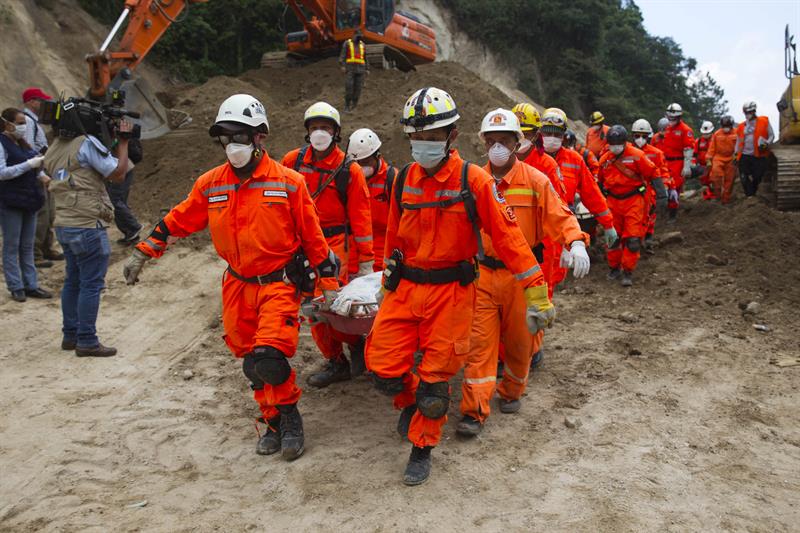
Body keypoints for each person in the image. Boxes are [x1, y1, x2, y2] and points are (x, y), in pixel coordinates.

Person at [123, 94, 340, 460]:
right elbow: (180, 219)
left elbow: (313, 236)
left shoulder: (288, 183)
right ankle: (270, 421)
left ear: (260, 137)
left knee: (270, 356)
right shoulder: (211, 184)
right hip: (238, 285)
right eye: (225, 137)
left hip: (278, 284)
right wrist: (145, 250)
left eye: (240, 135)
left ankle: (289, 417)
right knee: (252, 364)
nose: (232, 145)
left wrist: (328, 284)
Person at [365, 87, 555, 486]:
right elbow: (393, 241)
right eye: (417, 137)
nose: (423, 145)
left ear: (451, 136)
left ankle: (422, 446)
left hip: (452, 293)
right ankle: (411, 401)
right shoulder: (402, 182)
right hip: (405, 289)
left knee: (436, 385)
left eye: (431, 137)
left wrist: (536, 290)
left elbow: (510, 239)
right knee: (382, 368)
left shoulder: (475, 181)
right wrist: (384, 285)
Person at [457, 108, 588, 437]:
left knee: (519, 344)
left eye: (504, 140)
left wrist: (576, 242)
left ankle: (512, 390)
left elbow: (560, 215)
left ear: (518, 143)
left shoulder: (536, 181)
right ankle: (474, 410)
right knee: (480, 345)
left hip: (524, 277)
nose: (497, 147)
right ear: (484, 143)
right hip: (484, 274)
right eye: (492, 141)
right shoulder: (473, 180)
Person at [282, 102, 373, 387]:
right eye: (314, 128)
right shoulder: (292, 162)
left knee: (332, 306)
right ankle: (336, 361)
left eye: (325, 128)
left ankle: (355, 343)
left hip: (333, 245)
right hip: (300, 245)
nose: (319, 132)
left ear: (336, 133)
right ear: (306, 132)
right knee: (312, 309)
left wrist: (367, 262)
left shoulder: (349, 170)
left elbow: (361, 217)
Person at [43, 98, 132, 356]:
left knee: (73, 280)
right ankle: (87, 340)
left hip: (64, 222)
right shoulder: (86, 144)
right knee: (91, 284)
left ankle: (70, 335)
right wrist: (123, 142)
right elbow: (117, 173)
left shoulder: (55, 147)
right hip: (87, 224)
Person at [539, 107, 617, 296]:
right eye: (547, 133)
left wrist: (608, 224)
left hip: (560, 229)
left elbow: (592, 194)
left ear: (564, 135)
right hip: (532, 228)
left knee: (551, 282)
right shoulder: (528, 158)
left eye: (556, 134)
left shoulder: (574, 160)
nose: (551, 137)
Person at [597, 125, 660, 287]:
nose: (615, 146)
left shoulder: (637, 156)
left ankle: (627, 271)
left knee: (633, 240)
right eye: (612, 143)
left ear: (625, 142)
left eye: (618, 142)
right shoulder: (605, 160)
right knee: (613, 238)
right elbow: (599, 183)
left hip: (634, 201)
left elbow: (653, 173)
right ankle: (614, 267)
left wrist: (662, 195)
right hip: (612, 202)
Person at [0, 108, 52, 302]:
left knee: (27, 246)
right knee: (12, 245)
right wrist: (29, 165)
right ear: (7, 123)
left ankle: (31, 284)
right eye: (20, 122)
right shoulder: (2, 143)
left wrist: (42, 175)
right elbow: (2, 172)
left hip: (30, 199)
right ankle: (16, 286)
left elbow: (36, 168)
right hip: (11, 200)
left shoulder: (23, 144)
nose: (23, 126)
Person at [22, 87, 63, 267]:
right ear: (31, 102)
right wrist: (39, 174)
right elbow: (29, 150)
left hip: (41, 171)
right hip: (36, 173)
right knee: (42, 213)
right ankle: (35, 253)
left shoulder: (34, 121)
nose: (44, 104)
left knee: (49, 212)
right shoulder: (28, 123)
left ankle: (46, 247)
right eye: (40, 100)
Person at [346, 128, 395, 274]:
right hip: (351, 259)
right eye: (356, 163)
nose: (360, 167)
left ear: (377, 156)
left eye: (365, 162)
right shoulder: (346, 179)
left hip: (382, 259)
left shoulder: (392, 180)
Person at [630, 118, 670, 252]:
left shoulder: (656, 153)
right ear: (632, 136)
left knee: (650, 216)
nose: (640, 139)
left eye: (643, 136)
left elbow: (663, 173)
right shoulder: (626, 152)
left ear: (648, 137)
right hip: (630, 191)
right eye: (637, 136)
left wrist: (664, 191)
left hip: (650, 190)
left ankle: (647, 238)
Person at [511, 103, 566, 196]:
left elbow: (559, 204)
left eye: (526, 134)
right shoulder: (501, 162)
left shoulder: (548, 164)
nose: (520, 139)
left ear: (536, 135)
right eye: (517, 134)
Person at [660, 103, 694, 221]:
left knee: (675, 187)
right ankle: (665, 209)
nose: (671, 120)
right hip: (665, 162)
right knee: (663, 185)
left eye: (673, 118)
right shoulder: (668, 128)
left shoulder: (685, 130)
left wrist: (687, 166)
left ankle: (672, 214)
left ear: (679, 117)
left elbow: (688, 149)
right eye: (669, 118)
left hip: (678, 163)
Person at [107, 137, 143, 244]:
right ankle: (130, 233)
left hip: (121, 169)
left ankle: (133, 227)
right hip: (122, 168)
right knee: (118, 201)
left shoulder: (104, 134)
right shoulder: (106, 131)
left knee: (114, 201)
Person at [735, 101, 774, 197]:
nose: (747, 115)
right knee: (744, 177)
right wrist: (735, 154)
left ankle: (753, 193)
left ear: (754, 111)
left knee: (758, 176)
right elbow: (738, 141)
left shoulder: (764, 121)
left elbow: (771, 135)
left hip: (759, 155)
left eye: (749, 112)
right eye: (746, 113)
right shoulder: (741, 126)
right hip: (744, 155)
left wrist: (767, 143)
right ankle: (749, 195)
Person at [707, 115, 738, 204]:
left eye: (727, 126)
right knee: (715, 176)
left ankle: (726, 200)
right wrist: (708, 159)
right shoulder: (717, 134)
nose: (726, 128)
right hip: (718, 157)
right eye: (724, 127)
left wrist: (737, 156)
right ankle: (717, 197)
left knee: (730, 180)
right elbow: (712, 148)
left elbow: (740, 145)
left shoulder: (736, 133)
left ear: (731, 125)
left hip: (731, 158)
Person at [339, 30, 369, 112]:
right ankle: (347, 105)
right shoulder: (347, 43)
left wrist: (367, 69)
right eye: (358, 36)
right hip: (350, 69)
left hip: (361, 70)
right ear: (354, 35)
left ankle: (354, 105)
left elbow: (365, 58)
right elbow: (343, 55)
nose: (359, 38)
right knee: (349, 87)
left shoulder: (363, 45)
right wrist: (342, 66)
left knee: (358, 88)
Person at [696, 121, 714, 198]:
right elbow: (694, 153)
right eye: (704, 133)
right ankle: (706, 197)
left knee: (713, 180)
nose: (705, 135)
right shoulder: (699, 141)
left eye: (707, 133)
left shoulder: (715, 140)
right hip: (702, 165)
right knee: (704, 182)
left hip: (713, 165)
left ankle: (714, 195)